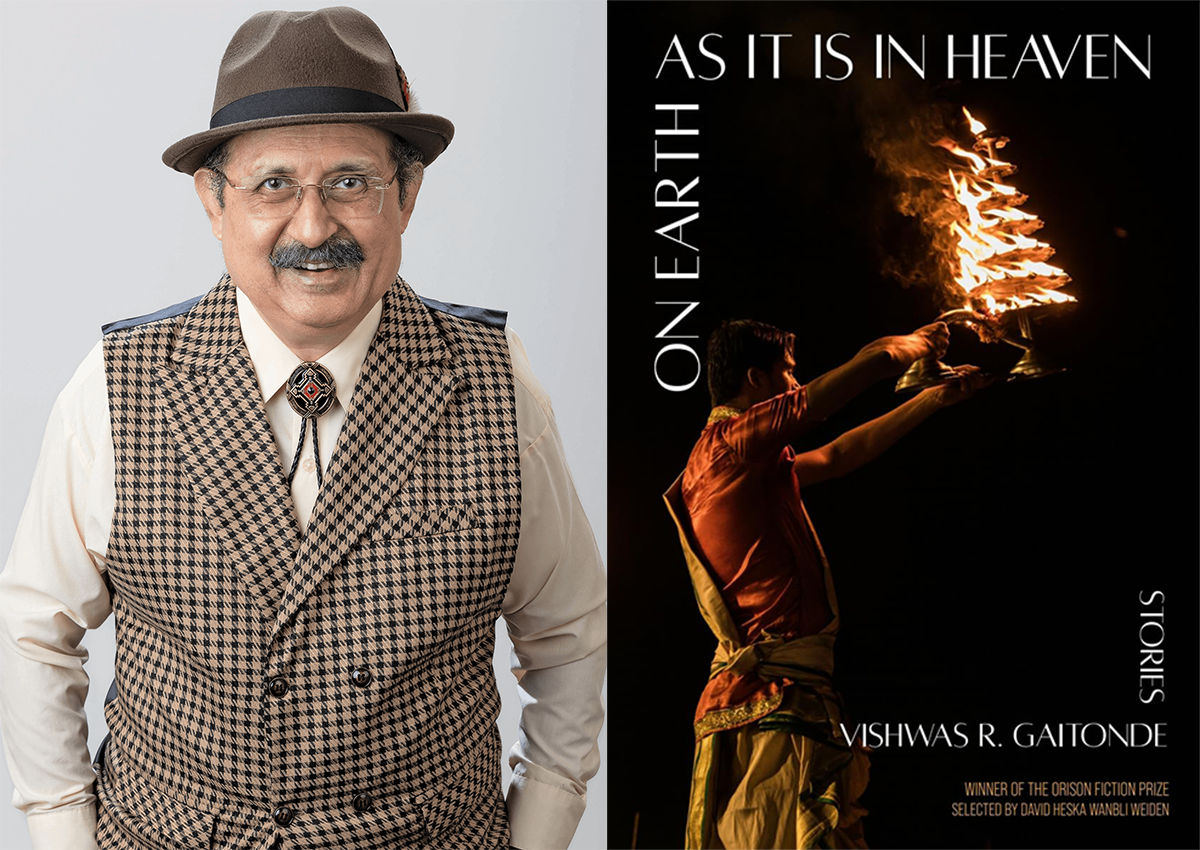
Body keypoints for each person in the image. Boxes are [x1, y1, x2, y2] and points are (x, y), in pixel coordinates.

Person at [0, 7, 605, 850]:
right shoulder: (114, 387)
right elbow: (36, 632)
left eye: (351, 182)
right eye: (273, 184)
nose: (314, 227)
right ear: (214, 201)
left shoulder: (497, 382)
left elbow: (571, 637)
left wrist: (540, 831)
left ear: (408, 194)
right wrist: (65, 836)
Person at [665, 319, 985, 849]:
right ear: (755, 379)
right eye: (788, 373)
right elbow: (828, 395)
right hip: (774, 696)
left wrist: (932, 400)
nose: (796, 383)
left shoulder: (750, 462)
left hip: (793, 693)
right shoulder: (732, 444)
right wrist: (904, 349)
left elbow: (838, 456)